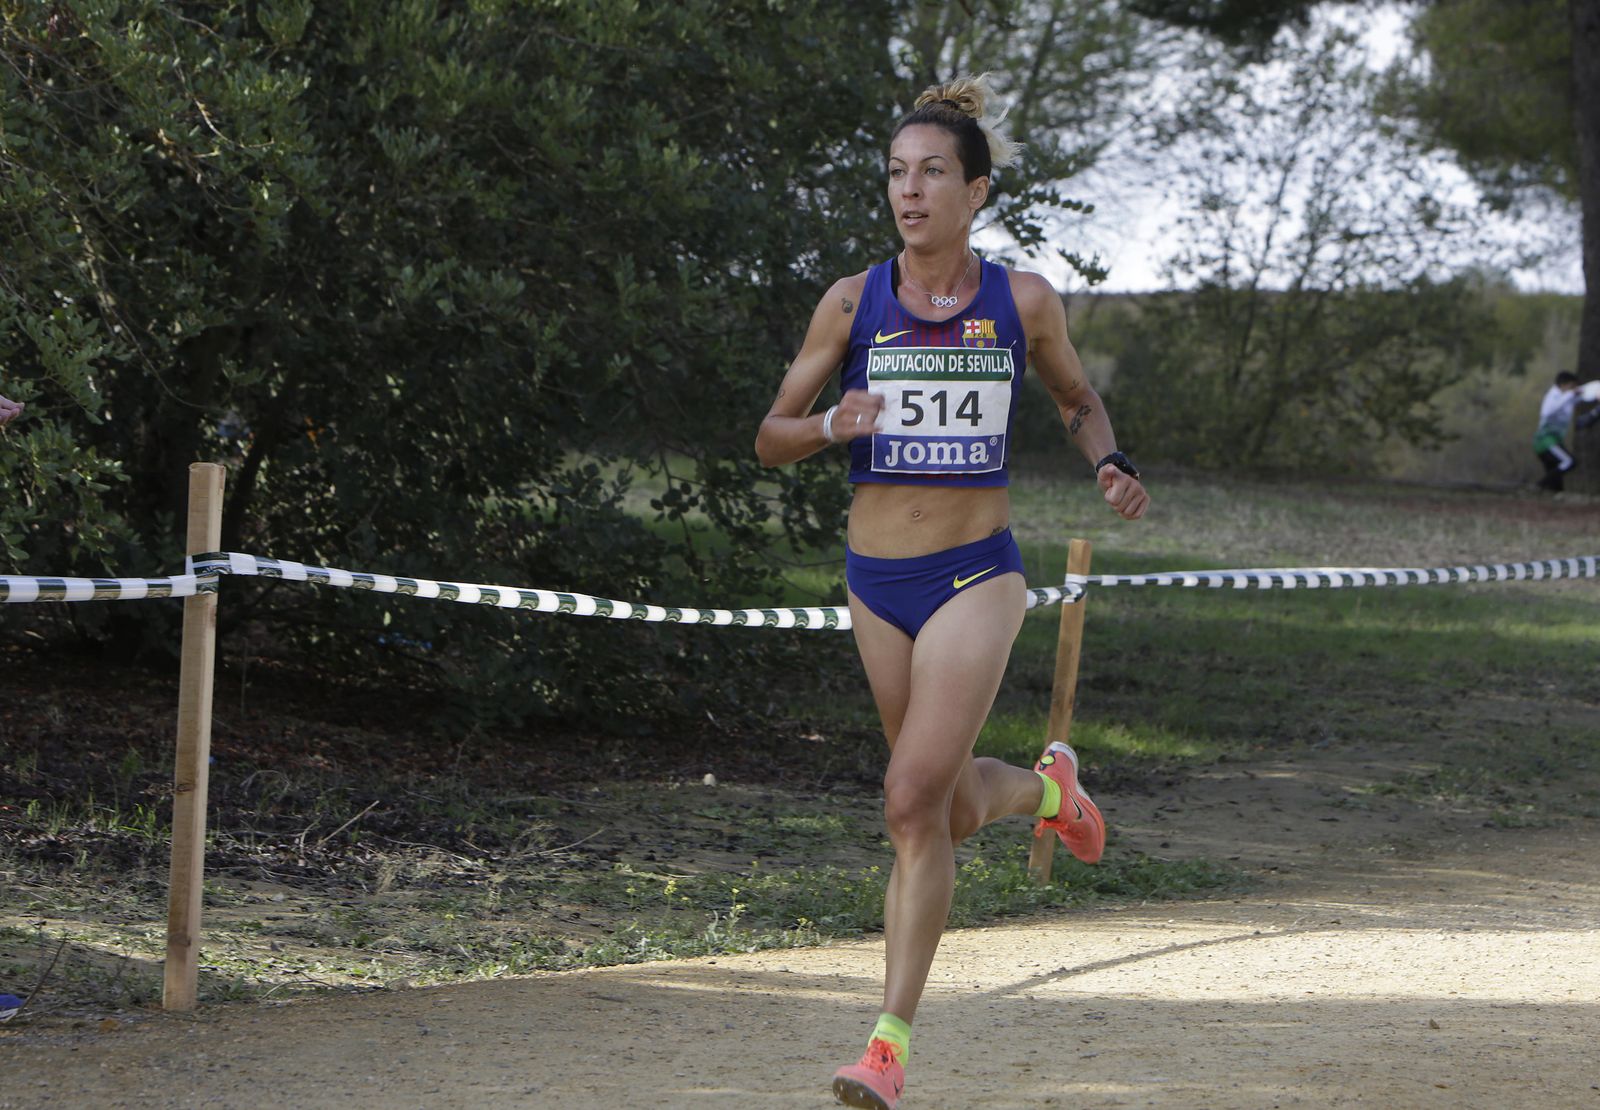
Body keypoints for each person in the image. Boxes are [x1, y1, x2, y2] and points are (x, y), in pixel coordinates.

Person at [754, 74, 1148, 1110]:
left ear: (976, 190)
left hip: (977, 572)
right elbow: (767, 437)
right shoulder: (852, 300)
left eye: (932, 173)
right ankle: (1052, 793)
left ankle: (885, 1049)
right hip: (874, 580)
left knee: (902, 801)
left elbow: (1075, 396)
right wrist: (834, 425)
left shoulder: (1020, 300)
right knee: (945, 808)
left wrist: (1108, 462)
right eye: (895, 173)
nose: (909, 191)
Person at [1533, 370, 1599, 492]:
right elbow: (1547, 412)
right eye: (1572, 386)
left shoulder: (1567, 397)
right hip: (1545, 441)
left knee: (1556, 486)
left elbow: (1584, 395)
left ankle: (1548, 493)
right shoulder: (1552, 396)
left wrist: (1593, 392)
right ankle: (1538, 486)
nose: (1573, 389)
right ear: (1563, 384)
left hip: (1554, 441)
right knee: (1569, 462)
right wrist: (1569, 395)